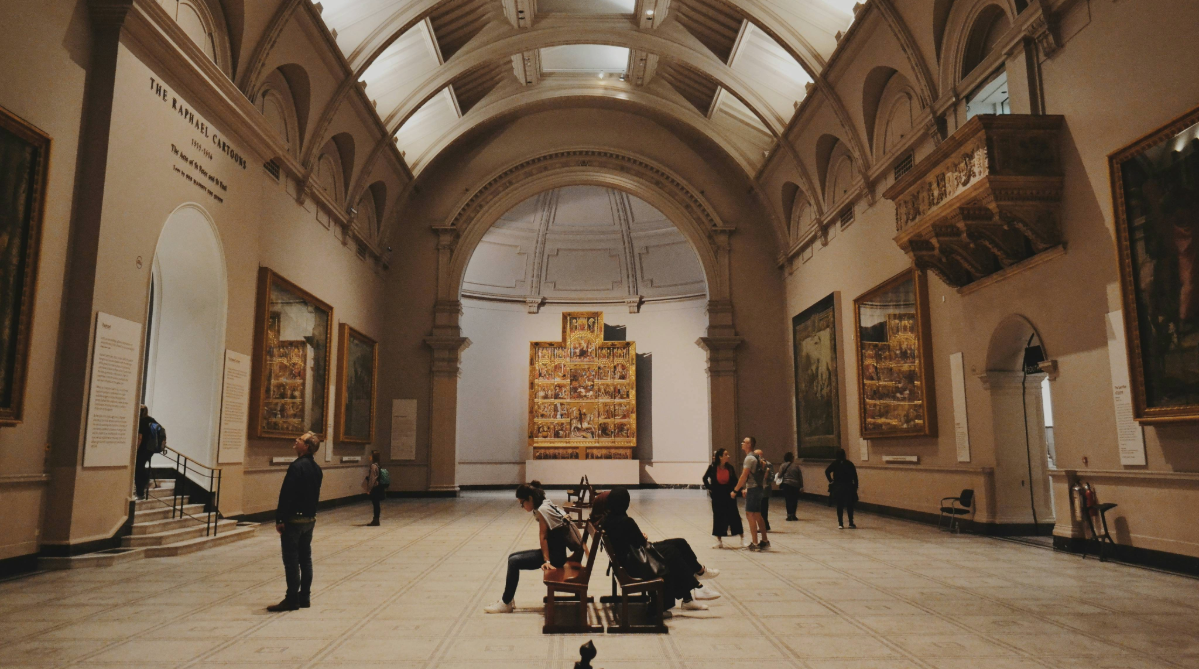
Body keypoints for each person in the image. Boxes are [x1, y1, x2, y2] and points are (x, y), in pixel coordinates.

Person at [600, 487, 719, 613]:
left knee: (679, 542)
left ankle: (699, 573)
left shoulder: (609, 519)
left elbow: (631, 540)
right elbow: (640, 542)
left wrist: (639, 537)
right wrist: (643, 536)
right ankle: (696, 588)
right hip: (635, 563)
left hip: (633, 557)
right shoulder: (625, 521)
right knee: (673, 552)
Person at [485, 481, 581, 613]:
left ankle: (505, 603)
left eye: (522, 503)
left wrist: (547, 561)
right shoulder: (545, 503)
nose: (522, 506)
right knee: (512, 556)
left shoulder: (542, 510)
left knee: (514, 562)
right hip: (557, 552)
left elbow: (544, 537)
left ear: (530, 498)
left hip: (556, 557)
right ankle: (509, 598)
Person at [268, 431, 324, 612]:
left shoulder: (296, 466)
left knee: (291, 561)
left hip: (294, 520)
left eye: (299, 440)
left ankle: (292, 599)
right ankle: (305, 596)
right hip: (309, 519)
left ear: (306, 446)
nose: (296, 441)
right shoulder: (317, 468)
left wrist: (280, 518)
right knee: (305, 559)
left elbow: (286, 494)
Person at [701, 448, 745, 549]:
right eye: (726, 454)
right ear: (720, 457)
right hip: (717, 495)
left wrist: (739, 490)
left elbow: (735, 480)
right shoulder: (712, 467)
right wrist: (710, 488)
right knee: (718, 516)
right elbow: (705, 478)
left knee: (734, 515)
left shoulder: (730, 468)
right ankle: (719, 541)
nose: (728, 456)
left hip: (729, 494)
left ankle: (742, 539)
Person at [731, 437, 769, 550]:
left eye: (744, 442)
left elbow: (744, 476)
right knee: (757, 514)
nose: (742, 443)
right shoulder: (756, 457)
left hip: (753, 489)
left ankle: (755, 543)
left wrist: (735, 490)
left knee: (750, 514)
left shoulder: (749, 459)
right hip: (758, 488)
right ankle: (765, 540)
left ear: (749, 444)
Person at [825, 448, 859, 529]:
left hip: (838, 486)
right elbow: (855, 476)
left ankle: (840, 523)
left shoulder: (835, 463)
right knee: (849, 505)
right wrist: (855, 487)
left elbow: (827, 471)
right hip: (848, 486)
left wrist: (831, 481)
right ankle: (851, 522)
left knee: (839, 505)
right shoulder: (849, 464)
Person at [778, 452, 804, 521]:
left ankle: (789, 515)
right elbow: (800, 477)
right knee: (794, 500)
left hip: (787, 484)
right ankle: (794, 514)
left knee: (788, 500)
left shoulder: (783, 465)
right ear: (791, 458)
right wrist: (801, 486)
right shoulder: (796, 466)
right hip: (796, 485)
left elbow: (779, 475)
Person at [754, 449, 774, 532]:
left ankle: (764, 525)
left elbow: (771, 477)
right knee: (759, 508)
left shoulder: (768, 464)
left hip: (765, 490)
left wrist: (766, 477)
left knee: (763, 508)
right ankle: (765, 525)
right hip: (757, 489)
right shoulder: (755, 464)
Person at [364, 451, 385, 526]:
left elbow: (372, 478)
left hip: (375, 488)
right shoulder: (378, 465)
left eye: (370, 455)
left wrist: (369, 489)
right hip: (379, 487)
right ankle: (376, 519)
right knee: (377, 504)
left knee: (375, 504)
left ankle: (376, 520)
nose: (369, 457)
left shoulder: (373, 466)